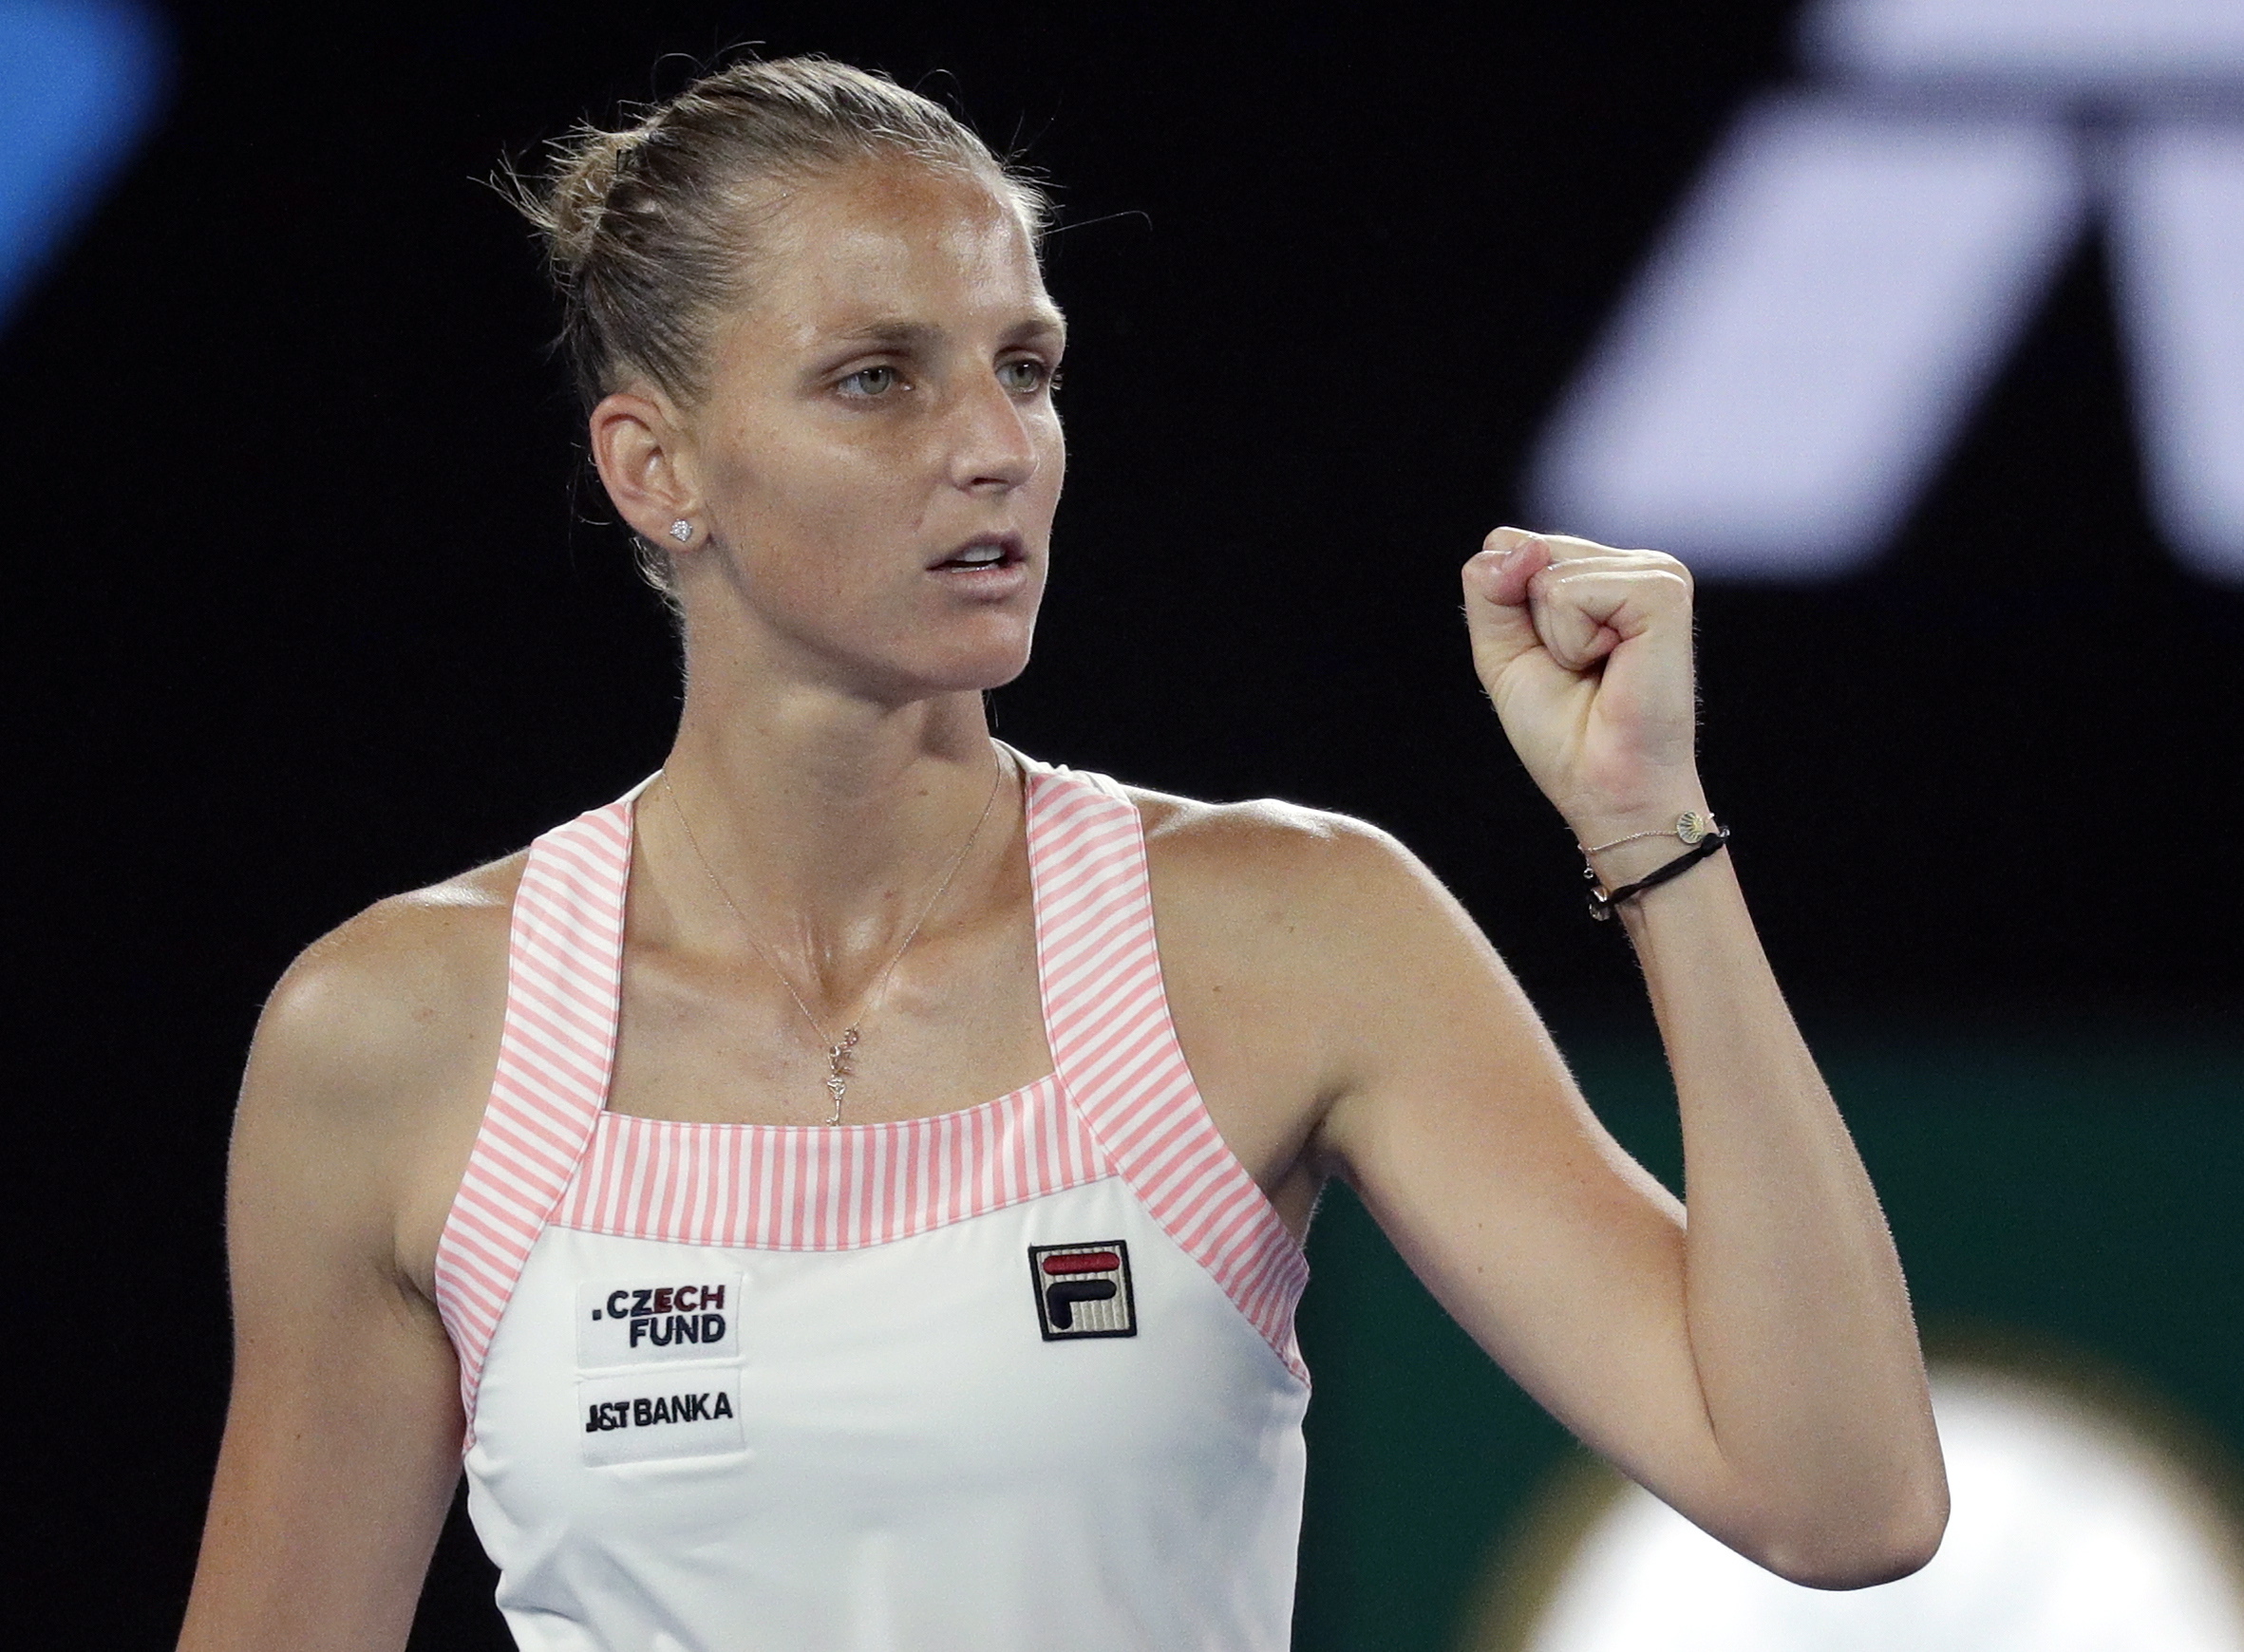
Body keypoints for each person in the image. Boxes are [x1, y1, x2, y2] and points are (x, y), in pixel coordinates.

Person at [176, 55, 1948, 1652]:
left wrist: (1653, 833)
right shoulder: (393, 1034)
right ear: (657, 469)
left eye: (1025, 370)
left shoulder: (1295, 931)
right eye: (877, 379)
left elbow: (1843, 1503)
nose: (993, 449)